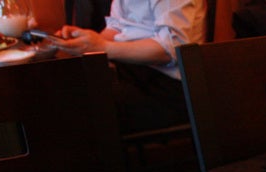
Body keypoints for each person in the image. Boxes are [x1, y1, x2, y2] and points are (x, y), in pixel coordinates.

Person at [54, 0, 207, 134]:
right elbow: (117, 28)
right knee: (64, 91)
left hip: (169, 87)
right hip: (135, 73)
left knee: (81, 108)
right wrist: (85, 40)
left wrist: (102, 46)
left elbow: (171, 49)